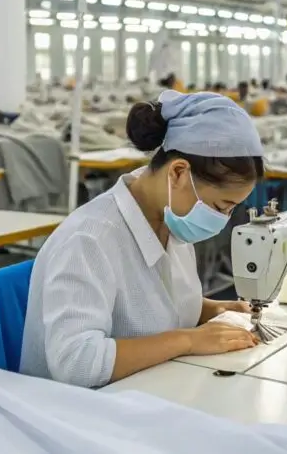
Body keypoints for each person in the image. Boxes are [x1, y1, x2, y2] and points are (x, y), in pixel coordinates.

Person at [20, 91, 264, 387]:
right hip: (80, 412)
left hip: (147, 390)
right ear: (178, 172)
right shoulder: (89, 239)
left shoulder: (172, 222)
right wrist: (188, 340)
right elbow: (76, 362)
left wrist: (214, 309)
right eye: (218, 207)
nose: (222, 221)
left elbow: (153, 305)